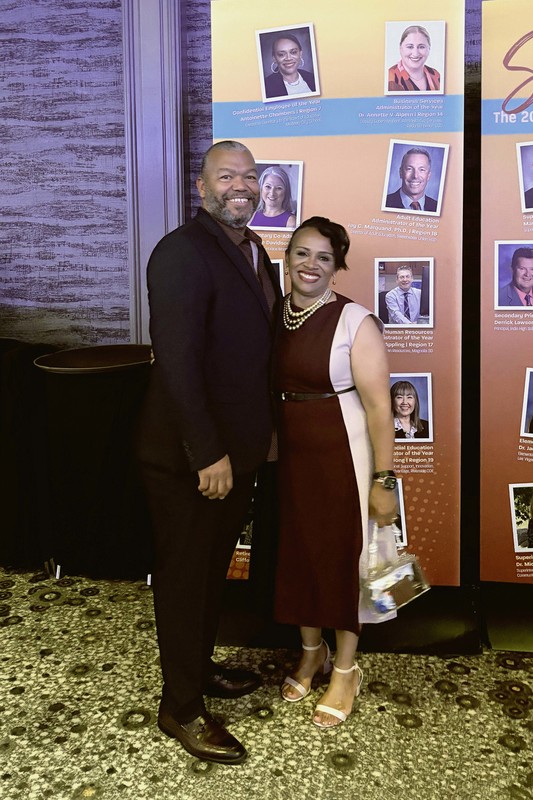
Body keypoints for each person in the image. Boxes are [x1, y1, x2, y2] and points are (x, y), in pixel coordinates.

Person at [136, 140, 281, 765]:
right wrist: (208, 454)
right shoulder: (181, 253)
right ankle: (181, 708)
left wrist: (262, 437)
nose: (241, 186)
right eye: (227, 177)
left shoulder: (254, 250)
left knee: (211, 572)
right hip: (192, 459)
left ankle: (198, 670)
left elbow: (252, 358)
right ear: (201, 187)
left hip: (237, 453)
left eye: (250, 177)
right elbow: (180, 365)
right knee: (185, 577)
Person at [273, 216, 398, 729]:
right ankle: (312, 652)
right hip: (291, 456)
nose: (310, 265)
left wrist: (383, 481)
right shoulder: (273, 313)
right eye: (302, 253)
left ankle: (346, 670)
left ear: (337, 268)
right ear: (287, 258)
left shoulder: (356, 322)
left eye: (323, 257)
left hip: (345, 456)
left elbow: (379, 409)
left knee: (345, 557)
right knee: (299, 552)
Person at [388, 25, 441, 92]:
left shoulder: (436, 75)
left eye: (421, 47)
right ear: (400, 48)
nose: (415, 53)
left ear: (429, 48)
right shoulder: (389, 78)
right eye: (410, 47)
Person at [264, 33, 316, 99]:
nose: (288, 58)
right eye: (281, 54)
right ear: (274, 58)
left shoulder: (312, 77)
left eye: (293, 52)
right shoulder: (266, 86)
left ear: (300, 54)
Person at [386, 147, 437, 212]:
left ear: (428, 175)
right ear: (401, 173)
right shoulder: (385, 202)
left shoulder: (437, 207)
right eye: (409, 169)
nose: (415, 176)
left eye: (422, 170)